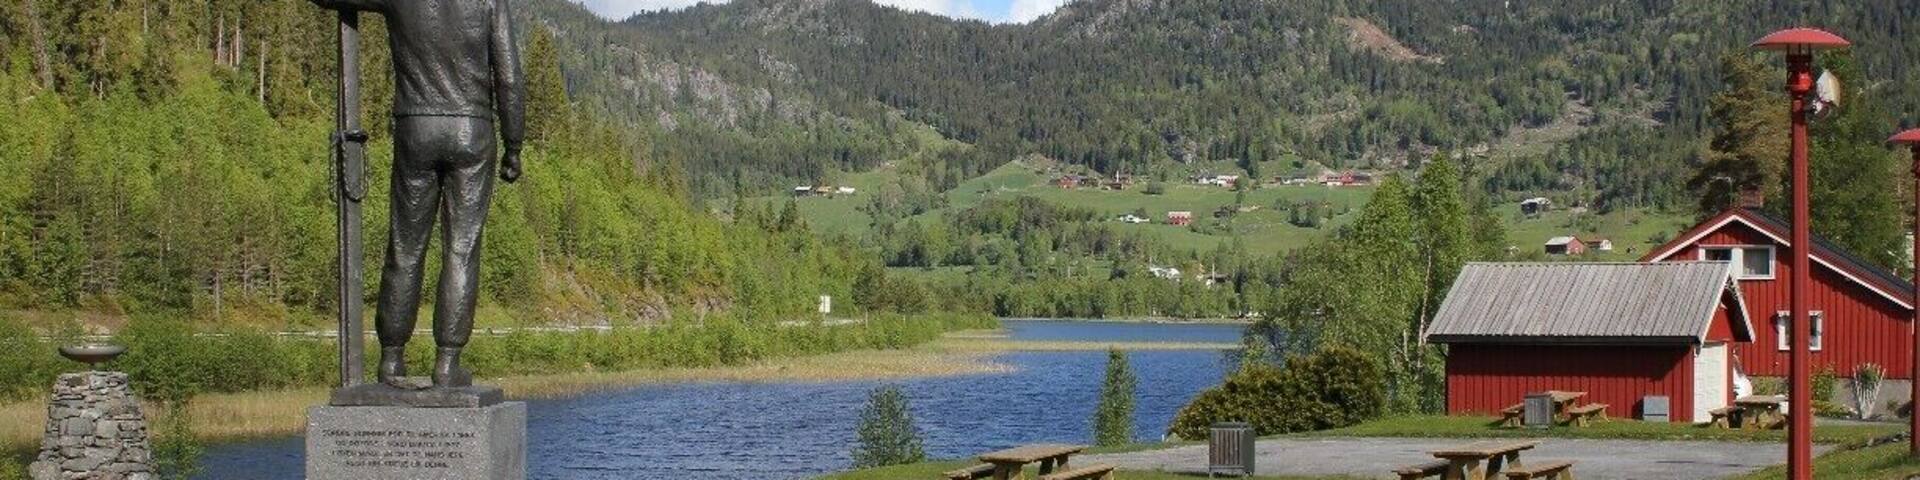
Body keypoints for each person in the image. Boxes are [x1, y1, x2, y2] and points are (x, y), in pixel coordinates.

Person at [307, 0, 527, 389]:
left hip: (416, 128)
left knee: (405, 248)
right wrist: (513, 146)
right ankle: (447, 362)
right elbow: (510, 78)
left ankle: (391, 359)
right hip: (471, 129)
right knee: (461, 250)